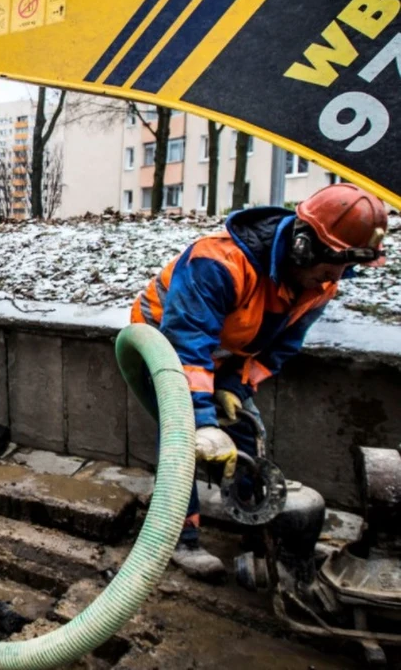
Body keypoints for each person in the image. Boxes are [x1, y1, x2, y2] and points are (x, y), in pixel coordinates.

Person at [132, 182, 388, 581]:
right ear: (302, 247)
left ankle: (256, 527)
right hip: (163, 344)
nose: (334, 279)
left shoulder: (320, 283)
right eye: (330, 267)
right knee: (180, 436)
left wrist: (235, 388)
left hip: (224, 352)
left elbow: (280, 348)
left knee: (249, 436)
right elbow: (186, 345)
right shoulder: (218, 261)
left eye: (346, 269)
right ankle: (179, 537)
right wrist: (203, 423)